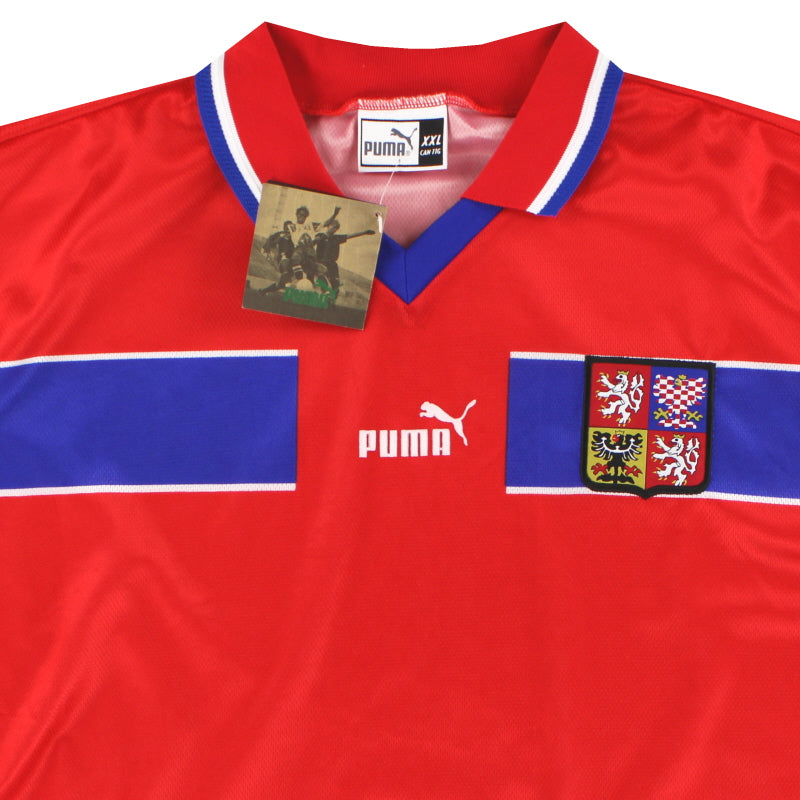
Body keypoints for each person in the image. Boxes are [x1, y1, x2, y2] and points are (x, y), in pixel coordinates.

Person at [313, 219, 374, 293]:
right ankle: (322, 294)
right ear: (328, 226)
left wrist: (364, 232)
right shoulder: (320, 236)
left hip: (332, 264)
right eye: (333, 227)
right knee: (323, 283)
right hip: (321, 263)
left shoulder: (336, 238)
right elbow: (312, 242)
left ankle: (332, 297)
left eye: (336, 228)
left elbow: (350, 236)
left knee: (336, 286)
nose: (334, 230)